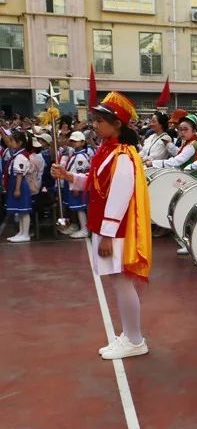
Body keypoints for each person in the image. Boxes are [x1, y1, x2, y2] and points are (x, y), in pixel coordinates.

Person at [51, 92, 152, 360]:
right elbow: (97, 184)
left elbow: (119, 197)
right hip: (104, 226)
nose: (94, 124)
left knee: (122, 283)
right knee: (118, 283)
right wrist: (69, 175)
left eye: (99, 120)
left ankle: (134, 339)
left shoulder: (123, 155)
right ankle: (130, 334)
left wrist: (107, 235)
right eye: (94, 120)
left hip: (114, 231)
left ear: (117, 122)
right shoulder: (107, 149)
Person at [5, 130, 33, 242]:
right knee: (20, 210)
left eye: (12, 140)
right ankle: (21, 232)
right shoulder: (18, 154)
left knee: (24, 210)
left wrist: (17, 189)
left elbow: (19, 174)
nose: (10, 143)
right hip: (17, 184)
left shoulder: (20, 156)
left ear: (20, 142)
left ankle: (25, 234)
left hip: (20, 185)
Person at [61, 131, 91, 238]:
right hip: (72, 183)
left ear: (83, 142)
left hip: (76, 185)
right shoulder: (75, 154)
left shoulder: (81, 157)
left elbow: (81, 173)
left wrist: (77, 187)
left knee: (80, 208)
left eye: (76, 141)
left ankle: (84, 229)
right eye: (72, 141)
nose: (73, 143)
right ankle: (79, 226)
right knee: (76, 207)